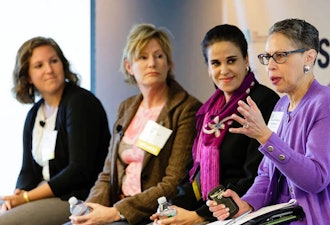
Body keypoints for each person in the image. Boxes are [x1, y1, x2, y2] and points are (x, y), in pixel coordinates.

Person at [207, 18, 330, 225]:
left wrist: (265, 137)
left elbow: (316, 178)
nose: (271, 66)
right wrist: (246, 205)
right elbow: (266, 174)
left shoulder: (327, 104)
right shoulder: (281, 106)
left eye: (281, 56)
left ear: (309, 57)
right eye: (268, 57)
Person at [67, 23, 202, 225]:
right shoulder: (126, 108)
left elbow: (172, 183)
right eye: (143, 57)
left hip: (151, 213)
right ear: (129, 66)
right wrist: (90, 210)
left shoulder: (186, 108)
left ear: (169, 64)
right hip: (114, 207)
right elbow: (107, 175)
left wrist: (116, 212)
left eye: (159, 56)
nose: (152, 63)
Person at [150, 24, 279, 225]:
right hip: (208, 212)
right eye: (216, 63)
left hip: (241, 214)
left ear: (246, 59)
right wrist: (174, 209)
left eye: (231, 60)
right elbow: (195, 176)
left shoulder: (263, 102)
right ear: (208, 68)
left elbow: (255, 178)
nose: (224, 70)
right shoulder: (209, 112)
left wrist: (197, 217)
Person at [0, 37, 111, 225]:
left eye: (54, 61)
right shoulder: (34, 114)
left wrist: (27, 198)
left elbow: (78, 171)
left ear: (63, 64)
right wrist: (17, 195)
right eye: (39, 65)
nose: (49, 70)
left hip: (76, 198)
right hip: (46, 196)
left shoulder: (79, 103)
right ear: (27, 77)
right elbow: (28, 171)